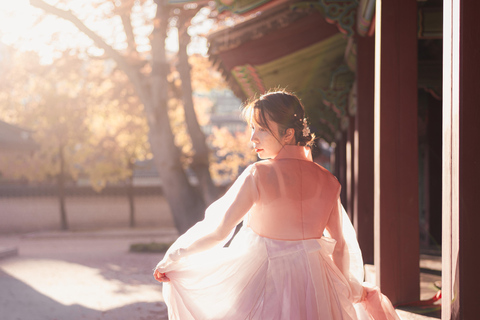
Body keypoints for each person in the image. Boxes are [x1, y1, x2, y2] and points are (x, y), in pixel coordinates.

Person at [154, 90, 401, 320]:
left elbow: (219, 231)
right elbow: (340, 245)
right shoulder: (328, 181)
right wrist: (344, 288)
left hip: (266, 280)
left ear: (288, 133)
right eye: (252, 128)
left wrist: (174, 258)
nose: (252, 138)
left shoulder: (259, 175)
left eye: (261, 129)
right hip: (318, 284)